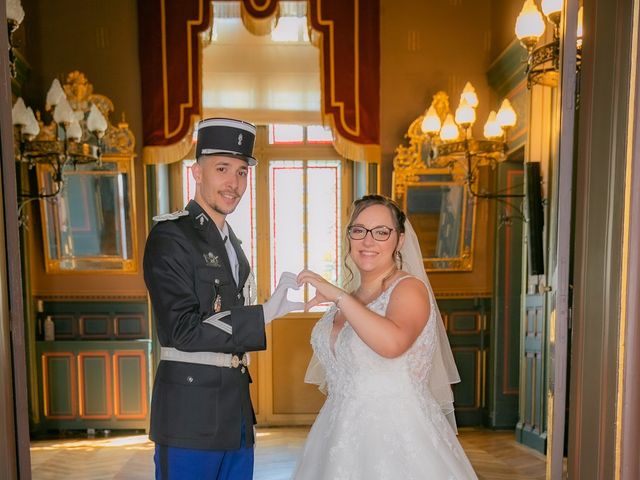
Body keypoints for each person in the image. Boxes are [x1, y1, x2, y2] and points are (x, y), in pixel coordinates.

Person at [143, 117, 302, 480]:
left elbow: (224, 321)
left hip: (236, 417)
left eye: (242, 172)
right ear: (197, 172)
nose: (234, 183)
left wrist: (264, 313)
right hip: (189, 415)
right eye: (222, 169)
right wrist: (261, 315)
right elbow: (180, 331)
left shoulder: (234, 247)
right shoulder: (171, 237)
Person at [294, 194, 478, 479]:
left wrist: (339, 296)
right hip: (336, 435)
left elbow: (392, 344)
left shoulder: (409, 289)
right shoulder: (350, 296)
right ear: (350, 236)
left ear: (400, 240)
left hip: (395, 437)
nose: (368, 241)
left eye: (381, 232)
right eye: (359, 230)